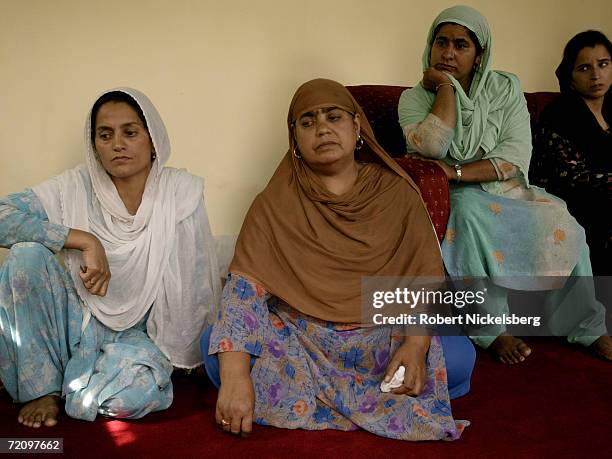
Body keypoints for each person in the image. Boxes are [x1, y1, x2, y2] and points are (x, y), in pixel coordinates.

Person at [200, 78, 475, 441]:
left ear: (356, 126)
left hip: (379, 333)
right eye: (308, 122)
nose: (323, 129)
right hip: (303, 338)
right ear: (294, 138)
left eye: (334, 117)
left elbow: (423, 280)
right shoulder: (274, 204)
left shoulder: (396, 192)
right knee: (213, 351)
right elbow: (244, 290)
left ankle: (316, 396)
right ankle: (374, 400)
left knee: (458, 357)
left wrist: (414, 344)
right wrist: (235, 379)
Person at [398, 5, 611, 363]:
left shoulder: (505, 88)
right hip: (458, 196)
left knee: (563, 219)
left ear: (479, 54)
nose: (448, 52)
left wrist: (457, 170)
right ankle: (490, 329)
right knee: (466, 215)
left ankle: (586, 326)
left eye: (461, 45)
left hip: (506, 187)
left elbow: (513, 155)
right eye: (441, 42)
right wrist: (447, 90)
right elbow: (432, 146)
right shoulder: (415, 98)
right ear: (431, 46)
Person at [0, 88, 221, 427]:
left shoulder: (180, 193)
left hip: (142, 335)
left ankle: (81, 379)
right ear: (94, 145)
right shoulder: (72, 187)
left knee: (130, 397)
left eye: (130, 132)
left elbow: (191, 283)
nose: (118, 144)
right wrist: (82, 239)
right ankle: (42, 389)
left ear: (152, 140)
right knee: (25, 256)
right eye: (105, 135)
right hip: (78, 319)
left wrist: (177, 355)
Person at [532, 30, 611, 276]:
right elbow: (574, 177)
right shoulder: (560, 113)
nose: (596, 75)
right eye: (584, 68)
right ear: (571, 76)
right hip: (569, 203)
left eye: (603, 64)